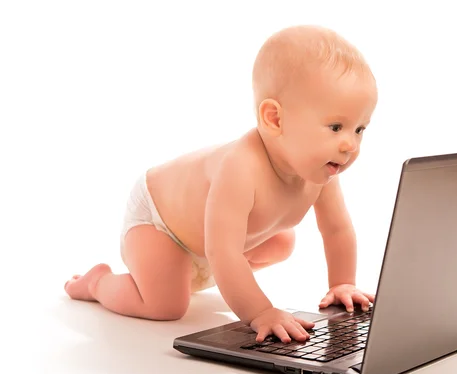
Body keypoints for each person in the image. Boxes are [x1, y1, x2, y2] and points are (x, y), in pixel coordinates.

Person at [64, 24, 379, 344]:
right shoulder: (241, 168)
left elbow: (336, 230)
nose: (350, 145)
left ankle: (190, 273)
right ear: (275, 119)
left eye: (359, 129)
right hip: (160, 223)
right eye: (336, 126)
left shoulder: (321, 173)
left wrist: (342, 283)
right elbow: (223, 250)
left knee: (282, 243)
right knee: (166, 305)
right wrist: (261, 311)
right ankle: (98, 283)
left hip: (210, 241)